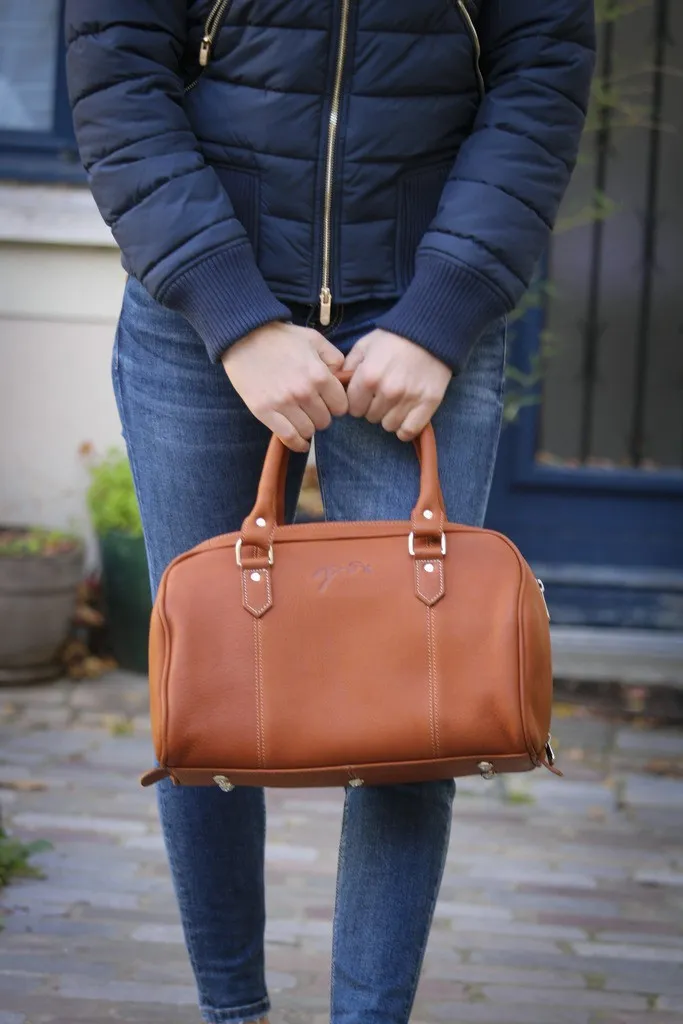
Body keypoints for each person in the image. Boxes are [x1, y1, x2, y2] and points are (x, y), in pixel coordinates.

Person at [65, 2, 595, 1021]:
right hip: (200, 313)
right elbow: (117, 68)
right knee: (207, 698)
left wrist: (441, 312)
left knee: (418, 702)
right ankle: (234, 1014)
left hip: (416, 315)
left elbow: (542, 68)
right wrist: (232, 314)